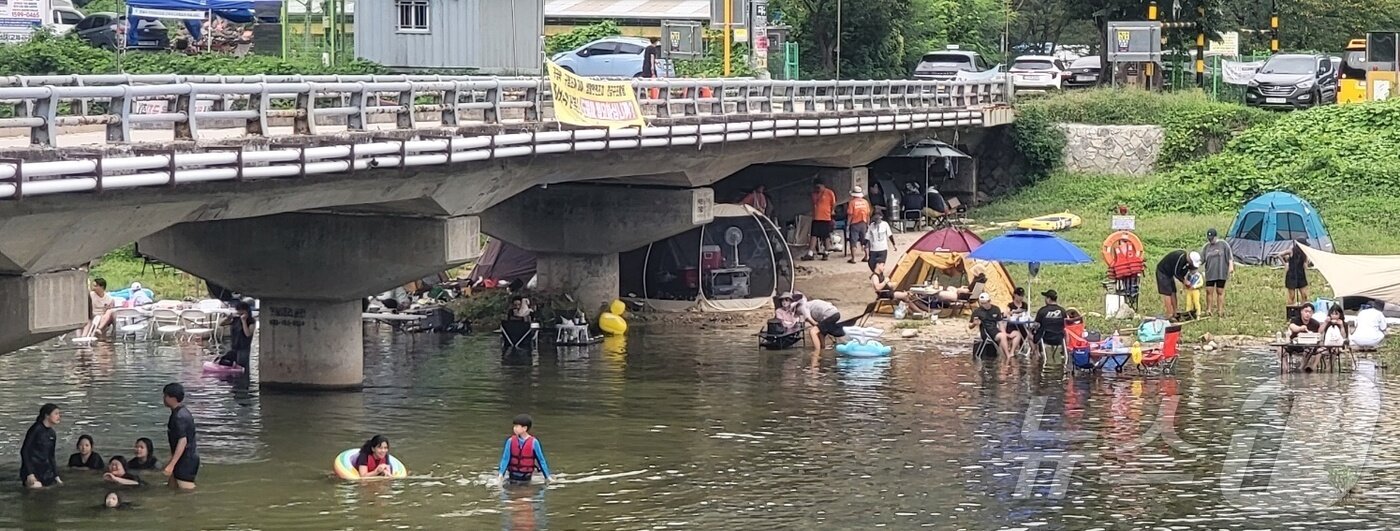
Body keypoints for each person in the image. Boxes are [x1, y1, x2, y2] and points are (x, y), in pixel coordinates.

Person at [163, 383, 199, 490]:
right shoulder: (179, 413)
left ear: (173, 398)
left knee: (187, 492)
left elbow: (182, 441)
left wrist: (171, 464)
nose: (164, 399)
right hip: (184, 458)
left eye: (165, 396)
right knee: (171, 488)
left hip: (186, 461)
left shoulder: (179, 416)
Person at [498, 414, 552, 485]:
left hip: (526, 478)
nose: (514, 428)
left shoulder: (534, 442)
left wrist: (547, 477)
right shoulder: (510, 441)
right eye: (514, 426)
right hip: (512, 477)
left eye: (517, 426)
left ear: (525, 428)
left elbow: (541, 461)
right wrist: (501, 475)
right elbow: (505, 459)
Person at [20, 403, 62, 489]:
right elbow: (24, 451)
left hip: (45, 470)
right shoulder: (35, 429)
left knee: (56, 488)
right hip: (32, 469)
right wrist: (30, 473)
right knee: (37, 487)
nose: (59, 416)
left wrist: (56, 476)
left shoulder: (52, 433)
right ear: (47, 415)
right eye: (56, 414)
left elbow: (51, 456)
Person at [1155, 250, 1201, 321]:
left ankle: (1175, 312)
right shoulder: (1181, 257)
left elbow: (1182, 273)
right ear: (1190, 259)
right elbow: (1176, 272)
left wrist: (1186, 281)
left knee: (1173, 291)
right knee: (1167, 292)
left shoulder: (1187, 263)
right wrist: (1184, 281)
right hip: (1162, 271)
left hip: (1170, 274)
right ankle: (1169, 314)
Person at [1200, 228, 1234, 317]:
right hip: (1210, 272)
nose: (1210, 240)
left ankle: (1220, 310)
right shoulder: (1206, 247)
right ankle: (1209, 310)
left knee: (1220, 291)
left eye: (1212, 238)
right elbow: (1201, 260)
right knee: (1209, 291)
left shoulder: (1223, 245)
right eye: (1209, 238)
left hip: (1221, 272)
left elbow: (1230, 257)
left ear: (1216, 236)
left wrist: (1231, 267)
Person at [804, 181, 836, 261]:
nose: (817, 189)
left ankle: (826, 252)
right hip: (816, 218)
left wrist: (831, 212)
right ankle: (810, 253)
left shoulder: (829, 193)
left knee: (826, 236)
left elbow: (833, 203)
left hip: (826, 218)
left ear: (823, 185)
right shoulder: (814, 194)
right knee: (813, 235)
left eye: (819, 187)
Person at [217, 300, 255, 368]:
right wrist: (227, 318)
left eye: (241, 311)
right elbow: (221, 324)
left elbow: (248, 334)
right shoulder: (236, 319)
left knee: (242, 366)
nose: (239, 312)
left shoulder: (251, 321)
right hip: (234, 346)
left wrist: (244, 321)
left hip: (243, 348)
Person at [1280, 239, 1311, 305]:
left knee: (1304, 295)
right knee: (1292, 296)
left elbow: (1306, 264)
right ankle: (1291, 310)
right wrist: (1285, 264)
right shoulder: (1291, 251)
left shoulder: (1304, 253)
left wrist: (1306, 263)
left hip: (1301, 275)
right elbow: (1279, 255)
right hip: (1292, 275)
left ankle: (1303, 308)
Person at [846, 187, 872, 264]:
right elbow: (868, 215)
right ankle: (866, 256)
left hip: (854, 224)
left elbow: (850, 215)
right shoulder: (865, 202)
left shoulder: (852, 202)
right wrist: (868, 224)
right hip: (863, 223)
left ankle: (853, 258)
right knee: (864, 240)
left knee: (853, 241)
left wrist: (848, 224)